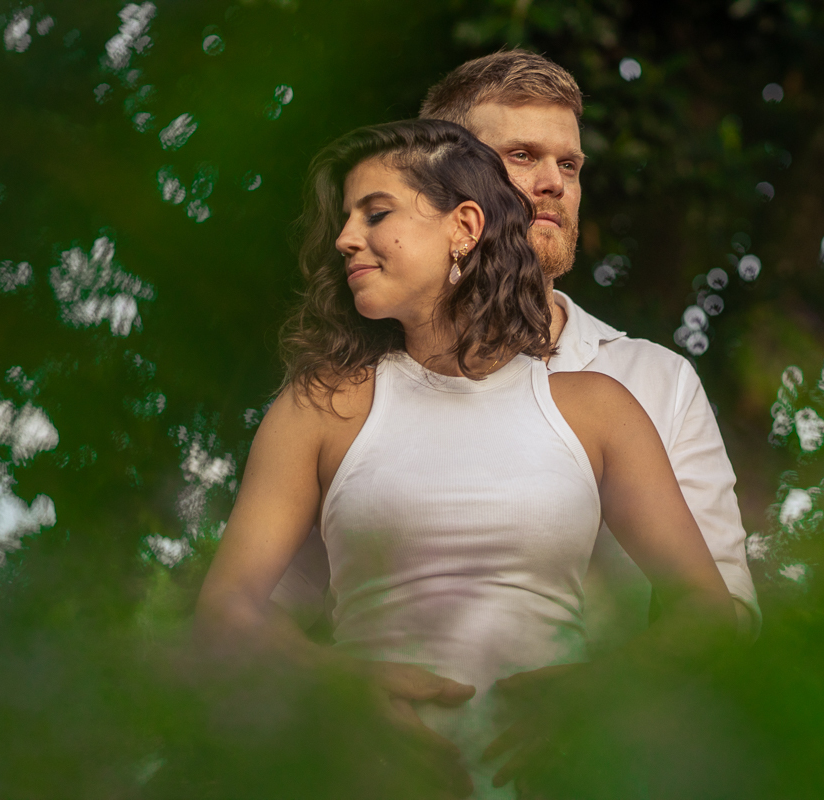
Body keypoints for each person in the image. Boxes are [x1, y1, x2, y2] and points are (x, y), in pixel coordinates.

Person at [195, 118, 736, 799]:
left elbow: (710, 616)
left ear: (464, 226)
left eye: (376, 213)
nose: (344, 239)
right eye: (344, 220)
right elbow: (225, 609)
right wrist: (334, 685)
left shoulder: (597, 408)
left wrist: (601, 694)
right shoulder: (319, 408)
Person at [273, 50, 758, 645]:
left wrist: (599, 713)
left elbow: (724, 612)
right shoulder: (347, 395)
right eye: (522, 156)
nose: (554, 182)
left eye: (571, 165)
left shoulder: (654, 381)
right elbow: (267, 611)